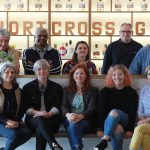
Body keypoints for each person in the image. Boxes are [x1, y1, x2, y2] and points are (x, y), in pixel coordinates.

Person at [94, 64, 138, 150]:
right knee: (117, 128)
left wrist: (130, 130)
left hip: (125, 121)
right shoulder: (104, 92)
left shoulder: (132, 93)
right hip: (108, 123)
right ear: (111, 77)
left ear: (125, 76)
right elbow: (101, 111)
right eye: (114, 75)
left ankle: (104, 140)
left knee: (114, 112)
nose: (117, 77)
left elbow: (132, 113)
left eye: (120, 74)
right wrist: (99, 129)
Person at [22, 59, 63, 150]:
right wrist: (39, 113)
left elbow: (57, 105)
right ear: (35, 71)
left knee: (40, 129)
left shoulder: (57, 87)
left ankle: (55, 146)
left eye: (45, 69)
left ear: (49, 70)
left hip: (52, 120)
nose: (42, 71)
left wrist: (50, 114)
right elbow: (26, 107)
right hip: (33, 120)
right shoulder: (27, 87)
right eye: (39, 69)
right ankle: (54, 145)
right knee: (40, 119)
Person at [62, 63, 99, 150]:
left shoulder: (93, 91)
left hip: (86, 121)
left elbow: (92, 108)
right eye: (76, 73)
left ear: (86, 75)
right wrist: (68, 115)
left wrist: (81, 116)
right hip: (69, 119)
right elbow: (63, 106)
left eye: (82, 73)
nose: (79, 76)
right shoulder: (67, 90)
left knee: (72, 126)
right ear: (73, 75)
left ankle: (77, 147)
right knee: (72, 123)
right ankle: (78, 146)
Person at [0, 62, 31, 150]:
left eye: (12, 72)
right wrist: (7, 121)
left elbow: (22, 109)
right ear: (1, 73)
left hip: (14, 121)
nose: (10, 75)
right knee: (13, 135)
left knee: (27, 132)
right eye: (7, 72)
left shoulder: (19, 91)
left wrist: (16, 122)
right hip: (1, 121)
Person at [129, 66, 150, 150]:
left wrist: (145, 121)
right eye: (149, 74)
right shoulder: (144, 89)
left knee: (139, 129)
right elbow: (140, 109)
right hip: (146, 122)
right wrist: (143, 119)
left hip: (146, 121)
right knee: (145, 136)